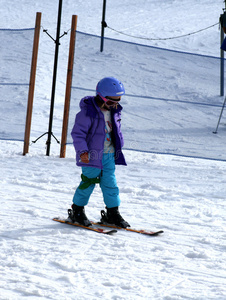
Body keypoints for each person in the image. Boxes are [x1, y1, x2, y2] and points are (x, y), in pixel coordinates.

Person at [67, 77, 130, 228]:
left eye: (118, 101)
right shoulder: (87, 113)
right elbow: (78, 134)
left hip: (108, 154)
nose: (114, 104)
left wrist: (119, 145)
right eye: (110, 102)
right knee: (88, 183)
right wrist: (82, 151)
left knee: (110, 184)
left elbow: (115, 131)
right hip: (91, 156)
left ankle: (112, 213)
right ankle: (77, 210)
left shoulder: (114, 112)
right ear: (101, 97)